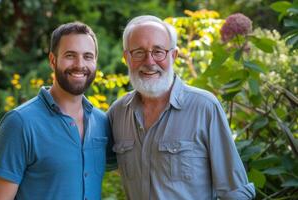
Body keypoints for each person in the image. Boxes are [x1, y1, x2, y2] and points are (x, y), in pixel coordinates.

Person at [107, 15, 256, 200]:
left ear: (174, 55)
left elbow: (236, 192)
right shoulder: (118, 113)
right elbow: (88, 165)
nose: (149, 61)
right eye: (138, 52)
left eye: (158, 51)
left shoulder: (204, 108)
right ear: (126, 57)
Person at [0, 22, 112, 200]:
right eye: (70, 55)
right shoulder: (20, 123)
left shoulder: (101, 122)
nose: (79, 64)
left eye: (88, 56)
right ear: (53, 61)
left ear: (95, 62)